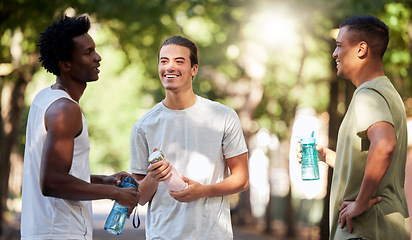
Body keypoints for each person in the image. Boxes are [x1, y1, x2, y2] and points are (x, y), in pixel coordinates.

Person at [21, 15, 139, 240]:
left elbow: (58, 173)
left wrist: (105, 180)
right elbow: (53, 182)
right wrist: (114, 193)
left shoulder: (45, 98)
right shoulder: (66, 110)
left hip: (45, 231)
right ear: (66, 65)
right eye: (88, 53)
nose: (98, 57)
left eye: (95, 50)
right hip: (60, 233)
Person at [298, 15, 410, 239]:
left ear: (361, 49)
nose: (334, 53)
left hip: (364, 229)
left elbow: (385, 144)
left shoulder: (367, 95)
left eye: (339, 46)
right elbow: (370, 156)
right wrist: (327, 156)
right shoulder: (388, 93)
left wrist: (360, 203)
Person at [129, 35, 249, 239]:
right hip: (162, 235)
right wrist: (154, 176)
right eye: (164, 61)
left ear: (194, 69)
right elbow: (140, 197)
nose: (170, 67)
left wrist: (203, 191)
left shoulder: (224, 116)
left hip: (212, 235)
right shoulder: (143, 126)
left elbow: (242, 179)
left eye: (179, 61)